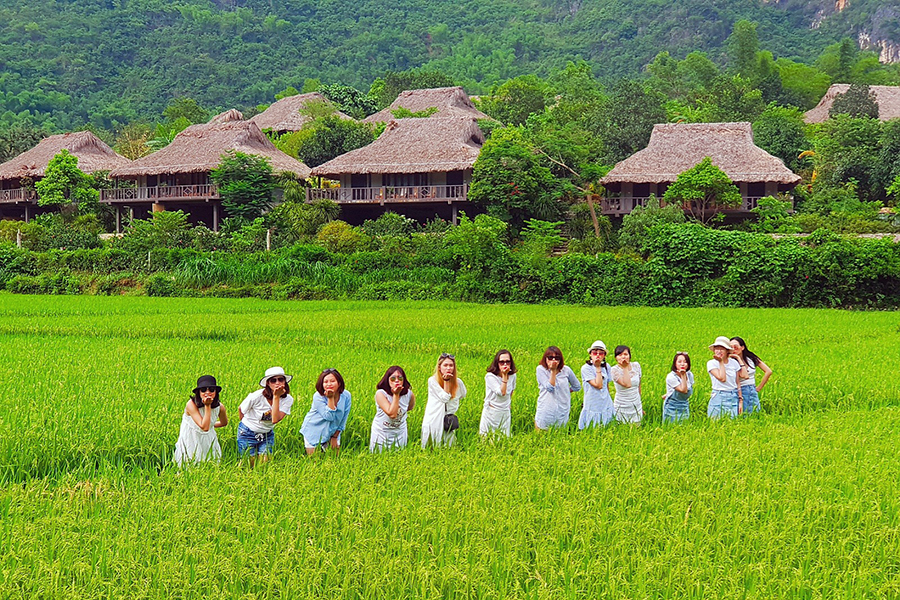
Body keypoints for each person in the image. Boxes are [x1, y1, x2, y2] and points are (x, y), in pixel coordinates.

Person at [237, 367, 294, 466]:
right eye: (273, 380)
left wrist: (276, 397)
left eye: (281, 379)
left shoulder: (288, 399)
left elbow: (275, 419)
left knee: (264, 464)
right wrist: (248, 425)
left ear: (285, 382)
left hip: (267, 434)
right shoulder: (256, 396)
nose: (277, 383)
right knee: (250, 464)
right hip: (247, 432)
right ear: (268, 383)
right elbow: (241, 409)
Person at [173, 375, 228, 466]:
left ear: (215, 392)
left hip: (208, 438)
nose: (207, 392)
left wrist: (211, 425)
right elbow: (204, 427)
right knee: (189, 464)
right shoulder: (191, 405)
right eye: (203, 390)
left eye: (211, 389)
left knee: (210, 464)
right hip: (191, 438)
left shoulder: (220, 407)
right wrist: (207, 406)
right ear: (198, 392)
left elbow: (223, 423)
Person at [300, 368, 352, 455]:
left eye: (332, 381)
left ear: (339, 383)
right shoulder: (318, 396)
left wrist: (335, 436)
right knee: (315, 462)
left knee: (335, 460)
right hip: (314, 431)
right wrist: (330, 398)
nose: (329, 384)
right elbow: (329, 417)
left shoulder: (346, 395)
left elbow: (344, 417)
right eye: (325, 382)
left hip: (333, 431)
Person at [421, 353, 467, 448]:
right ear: (439, 367)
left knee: (449, 445)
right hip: (434, 418)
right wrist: (446, 381)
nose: (448, 368)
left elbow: (463, 394)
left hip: (448, 418)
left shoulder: (458, 382)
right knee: (433, 444)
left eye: (451, 365)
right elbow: (445, 398)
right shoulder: (433, 381)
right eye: (445, 365)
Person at [534, 346, 581, 430]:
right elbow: (550, 388)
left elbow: (577, 386)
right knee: (542, 431)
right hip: (546, 407)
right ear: (545, 358)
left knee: (559, 433)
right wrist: (553, 371)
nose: (553, 360)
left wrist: (566, 391)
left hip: (562, 408)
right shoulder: (541, 370)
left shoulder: (566, 370)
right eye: (550, 358)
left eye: (557, 358)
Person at [370, 366, 415, 451]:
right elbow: (392, 414)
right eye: (393, 378)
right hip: (381, 433)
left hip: (400, 432)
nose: (397, 380)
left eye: (400, 378)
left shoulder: (409, 394)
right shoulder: (381, 394)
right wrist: (396, 394)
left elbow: (410, 407)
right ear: (387, 380)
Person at [706, 337, 748, 419]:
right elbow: (722, 378)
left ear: (727, 350)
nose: (719, 351)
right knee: (716, 422)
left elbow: (740, 380)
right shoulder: (711, 363)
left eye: (722, 349)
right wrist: (721, 362)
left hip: (733, 395)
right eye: (717, 348)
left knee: (732, 422)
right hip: (719, 395)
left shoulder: (734, 363)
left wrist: (740, 400)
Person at [480, 350, 517, 438]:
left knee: (504, 438)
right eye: (502, 362)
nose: (505, 365)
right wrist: (504, 376)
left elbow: (511, 390)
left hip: (505, 411)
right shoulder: (490, 376)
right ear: (497, 363)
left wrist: (508, 404)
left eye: (508, 362)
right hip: (491, 412)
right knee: (487, 438)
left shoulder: (513, 376)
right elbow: (501, 392)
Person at [731, 336, 772, 415]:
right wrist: (737, 358)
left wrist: (759, 388)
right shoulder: (731, 362)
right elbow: (743, 375)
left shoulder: (751, 358)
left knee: (755, 413)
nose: (733, 349)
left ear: (742, 347)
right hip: (738, 391)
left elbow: (768, 371)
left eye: (735, 347)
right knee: (742, 415)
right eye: (731, 347)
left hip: (751, 389)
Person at [578, 340, 615, 429]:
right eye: (595, 353)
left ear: (604, 356)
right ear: (590, 354)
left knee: (607, 427)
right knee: (591, 427)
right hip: (592, 402)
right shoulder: (586, 368)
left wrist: (609, 398)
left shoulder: (607, 367)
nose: (597, 355)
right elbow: (598, 385)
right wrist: (598, 367)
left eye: (601, 353)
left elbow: (606, 386)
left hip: (605, 402)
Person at [611, 345, 643, 424]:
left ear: (629, 356)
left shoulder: (636, 366)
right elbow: (627, 384)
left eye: (625, 354)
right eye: (620, 355)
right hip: (622, 406)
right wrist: (625, 367)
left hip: (636, 404)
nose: (623, 357)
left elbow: (639, 385)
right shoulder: (614, 370)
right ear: (616, 358)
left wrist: (639, 402)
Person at [662, 352, 693, 423]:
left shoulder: (690, 375)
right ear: (675, 364)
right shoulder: (671, 377)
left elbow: (690, 389)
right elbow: (684, 390)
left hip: (684, 405)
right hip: (672, 406)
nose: (682, 364)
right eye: (679, 362)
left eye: (685, 362)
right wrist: (683, 376)